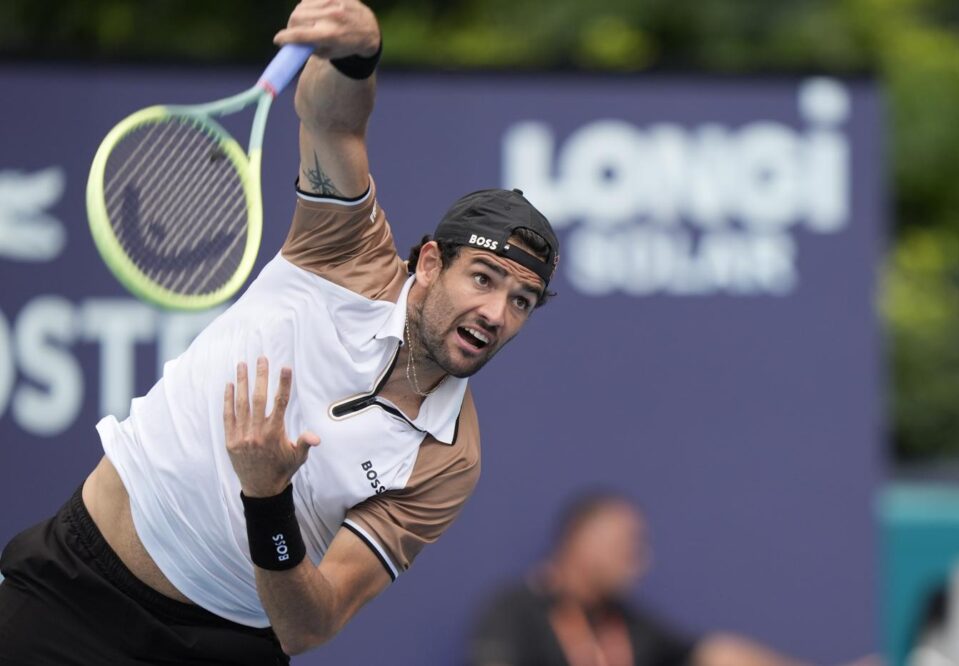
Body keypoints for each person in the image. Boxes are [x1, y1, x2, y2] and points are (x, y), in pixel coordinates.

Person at [0, 1, 558, 664]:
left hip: (224, 649)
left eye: (522, 300)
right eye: (485, 278)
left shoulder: (449, 459)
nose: (498, 313)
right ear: (431, 262)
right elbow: (333, 120)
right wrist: (357, 57)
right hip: (74, 590)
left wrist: (267, 497)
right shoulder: (344, 250)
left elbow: (310, 624)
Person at [469, 492, 818, 666]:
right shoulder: (513, 613)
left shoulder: (627, 622)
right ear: (582, 541)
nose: (639, 561)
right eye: (627, 547)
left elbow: (714, 653)